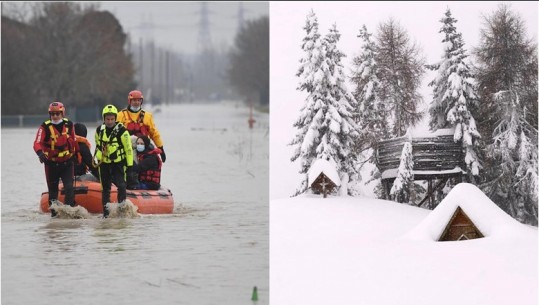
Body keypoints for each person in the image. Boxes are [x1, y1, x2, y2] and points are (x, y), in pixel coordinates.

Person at [33, 101, 77, 217]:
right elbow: (37, 143)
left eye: (58, 114)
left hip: (67, 163)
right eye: (53, 114)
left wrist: (77, 155)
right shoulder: (45, 127)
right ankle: (54, 215)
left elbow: (74, 140)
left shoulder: (69, 124)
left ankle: (69, 213)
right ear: (50, 114)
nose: (55, 116)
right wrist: (40, 154)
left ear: (62, 113)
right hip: (51, 164)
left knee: (69, 187)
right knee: (52, 192)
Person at [94, 104, 134, 218]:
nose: (110, 121)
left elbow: (128, 150)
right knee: (105, 189)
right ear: (104, 119)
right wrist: (99, 158)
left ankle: (122, 213)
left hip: (118, 164)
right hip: (104, 164)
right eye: (107, 119)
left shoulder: (122, 131)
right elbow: (98, 146)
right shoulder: (99, 131)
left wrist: (130, 167)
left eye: (112, 119)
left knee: (121, 186)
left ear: (116, 119)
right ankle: (106, 214)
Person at [116, 90, 166, 163]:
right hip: (126, 148)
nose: (136, 102)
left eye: (139, 100)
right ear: (129, 101)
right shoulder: (120, 115)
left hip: (143, 149)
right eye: (134, 100)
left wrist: (161, 148)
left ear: (141, 101)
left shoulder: (147, 116)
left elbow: (154, 133)